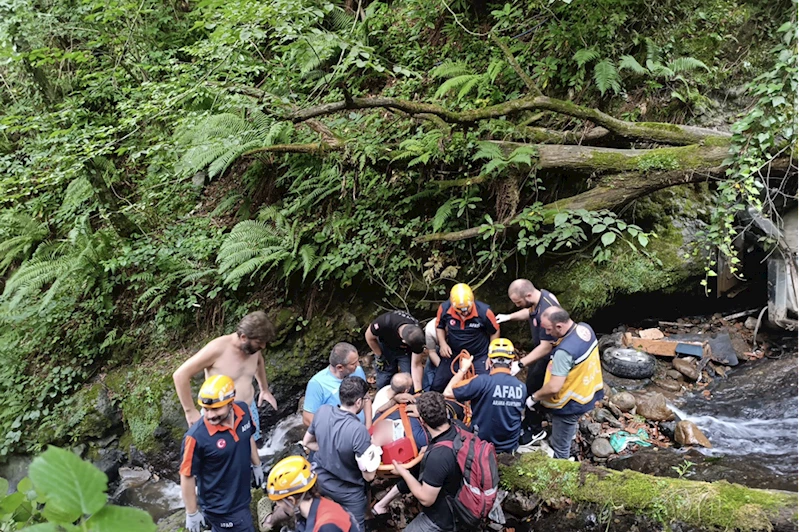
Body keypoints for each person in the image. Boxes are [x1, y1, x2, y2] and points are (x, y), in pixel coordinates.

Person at [173, 311, 277, 442]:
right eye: (259, 342)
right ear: (244, 337)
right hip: (219, 416)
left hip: (248, 411)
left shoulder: (253, 349)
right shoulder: (217, 348)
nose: (262, 346)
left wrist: (264, 389)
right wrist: (190, 411)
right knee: (222, 458)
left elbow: (259, 362)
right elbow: (180, 375)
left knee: (252, 451)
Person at [180, 375, 262, 532]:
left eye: (216, 409)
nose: (210, 415)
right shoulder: (196, 437)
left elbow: (248, 437)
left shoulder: (243, 410)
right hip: (221, 507)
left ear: (231, 402)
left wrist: (257, 464)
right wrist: (191, 512)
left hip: (242, 494)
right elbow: (186, 474)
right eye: (206, 409)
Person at [372, 392, 462, 531]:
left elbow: (426, 499)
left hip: (444, 516)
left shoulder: (427, 446)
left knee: (417, 471)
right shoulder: (460, 429)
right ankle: (381, 505)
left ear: (423, 420)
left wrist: (403, 472)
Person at [302, 376, 379, 532]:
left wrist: (328, 449)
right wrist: (375, 452)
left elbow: (307, 442)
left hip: (319, 481)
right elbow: (369, 476)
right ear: (359, 402)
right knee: (355, 527)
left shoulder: (322, 411)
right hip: (349, 491)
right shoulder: (358, 430)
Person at [529, 307, 604, 459]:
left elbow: (554, 386)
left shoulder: (564, 352)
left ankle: (562, 471)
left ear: (559, 326)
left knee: (560, 447)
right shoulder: (584, 329)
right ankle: (569, 438)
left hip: (568, 404)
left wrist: (534, 398)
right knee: (568, 431)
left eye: (549, 330)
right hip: (586, 392)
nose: (548, 334)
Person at [495, 279, 560, 446]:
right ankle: (536, 417)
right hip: (540, 351)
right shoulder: (538, 298)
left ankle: (535, 429)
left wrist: (520, 364)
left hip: (549, 357)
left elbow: (546, 347)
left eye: (518, 302)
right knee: (531, 385)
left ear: (528, 295)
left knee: (533, 389)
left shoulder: (548, 311)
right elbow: (529, 312)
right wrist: (508, 317)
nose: (517, 305)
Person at [443, 338, 526, 454]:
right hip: (510, 447)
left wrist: (463, 369)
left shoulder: (481, 382)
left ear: (490, 361)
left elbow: (447, 392)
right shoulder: (521, 387)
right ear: (511, 363)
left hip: (482, 446)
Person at [431, 283, 500, 392]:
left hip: (479, 354)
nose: (465, 312)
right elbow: (439, 326)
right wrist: (443, 343)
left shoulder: (484, 311)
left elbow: (495, 331)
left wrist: (491, 354)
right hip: (454, 353)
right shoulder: (444, 308)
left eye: (467, 309)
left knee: (486, 385)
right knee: (437, 385)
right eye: (460, 310)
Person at [264, 455, 358, 532]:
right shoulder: (318, 507)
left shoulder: (326, 526)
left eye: (278, 502)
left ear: (291, 500)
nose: (277, 506)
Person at [303, 342, 371, 426]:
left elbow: (366, 398)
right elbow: (307, 418)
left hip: (362, 428)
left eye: (357, 361)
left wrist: (368, 427)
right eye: (353, 364)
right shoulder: (317, 384)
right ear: (340, 367)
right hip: (340, 434)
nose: (358, 365)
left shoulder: (357, 370)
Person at [365, 310, 426, 392]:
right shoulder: (385, 322)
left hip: (404, 352)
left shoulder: (417, 337)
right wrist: (379, 355)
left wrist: (418, 389)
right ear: (403, 341)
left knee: (409, 381)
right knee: (384, 379)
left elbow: (416, 364)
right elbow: (369, 336)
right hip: (385, 347)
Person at [422, 320, 440, 392]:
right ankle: (427, 390)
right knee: (430, 367)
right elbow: (432, 352)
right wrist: (442, 368)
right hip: (436, 348)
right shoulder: (430, 329)